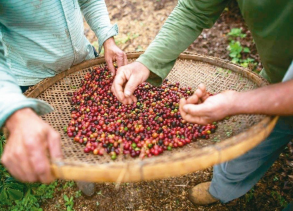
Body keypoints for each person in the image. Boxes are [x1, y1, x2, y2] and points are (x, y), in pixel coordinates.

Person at [111, 0, 293, 205]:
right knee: (257, 133)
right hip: (279, 74)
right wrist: (147, 62)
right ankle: (223, 187)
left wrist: (237, 102)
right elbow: (194, 10)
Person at [0, 0, 127, 189]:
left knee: (100, 118)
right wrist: (14, 112)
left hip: (83, 60)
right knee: (63, 134)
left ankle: (106, 152)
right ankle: (81, 169)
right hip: (34, 77)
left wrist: (107, 38)